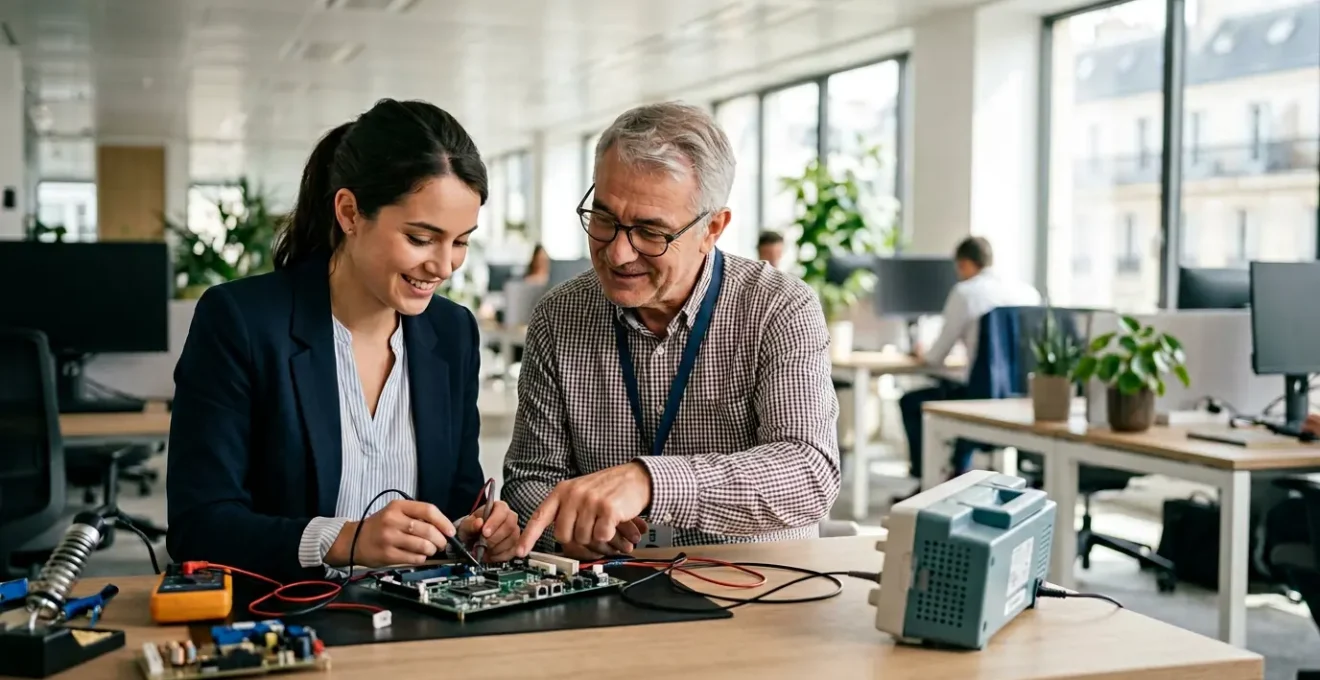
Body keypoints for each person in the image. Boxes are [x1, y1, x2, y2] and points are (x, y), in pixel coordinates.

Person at [167, 98, 521, 582]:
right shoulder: (241, 322)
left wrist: (476, 529)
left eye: (460, 241)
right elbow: (198, 526)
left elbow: (457, 502)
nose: (443, 266)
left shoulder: (451, 332)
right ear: (350, 213)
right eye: (421, 238)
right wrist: (342, 540)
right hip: (286, 621)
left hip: (421, 623)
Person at [503, 101, 841, 559]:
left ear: (712, 229)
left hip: (755, 584)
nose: (618, 253)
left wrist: (649, 481)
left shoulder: (778, 307)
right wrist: (565, 528)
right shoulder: (559, 317)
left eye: (650, 231)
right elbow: (528, 480)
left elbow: (808, 474)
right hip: (610, 584)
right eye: (604, 219)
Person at [899, 236, 1042, 481]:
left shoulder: (966, 293)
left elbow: (936, 357)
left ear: (964, 264)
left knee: (910, 402)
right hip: (1021, 399)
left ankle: (928, 479)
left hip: (979, 399)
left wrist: (922, 353)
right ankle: (957, 471)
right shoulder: (1028, 292)